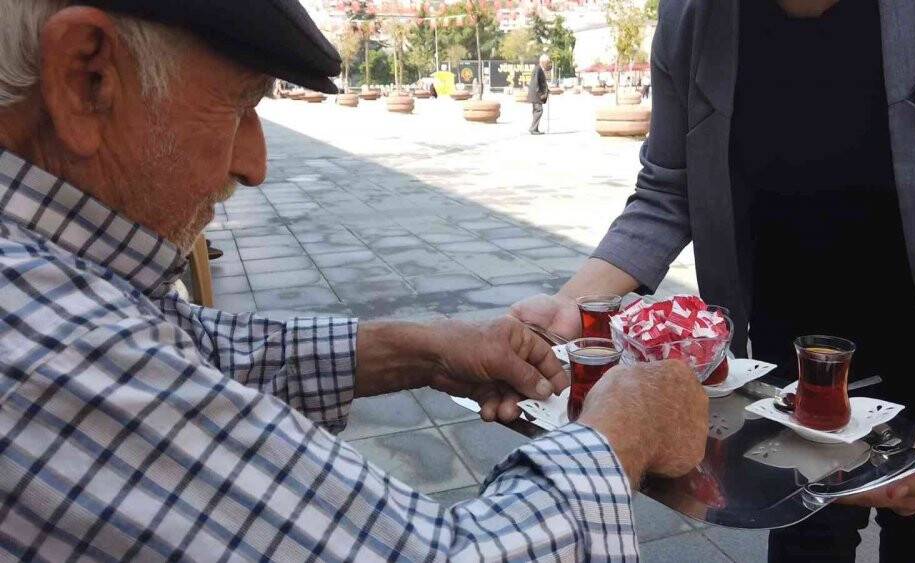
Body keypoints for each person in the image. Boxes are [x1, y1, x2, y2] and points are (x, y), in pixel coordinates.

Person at [0, 0, 711, 560]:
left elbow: (191, 351)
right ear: (86, 79)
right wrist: (623, 434)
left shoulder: (55, 280)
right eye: (239, 106)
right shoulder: (42, 345)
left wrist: (427, 349)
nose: (255, 164)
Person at [512, 0, 915, 561]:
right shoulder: (692, 21)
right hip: (779, 378)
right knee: (803, 537)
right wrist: (575, 305)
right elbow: (670, 189)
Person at [527, 54, 551, 135]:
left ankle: (535, 129)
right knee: (538, 111)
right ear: (543, 62)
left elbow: (540, 82)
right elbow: (535, 83)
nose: (547, 64)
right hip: (536, 95)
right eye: (547, 62)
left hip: (536, 95)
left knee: (536, 111)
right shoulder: (538, 69)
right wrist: (540, 94)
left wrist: (547, 90)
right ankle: (533, 128)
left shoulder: (539, 68)